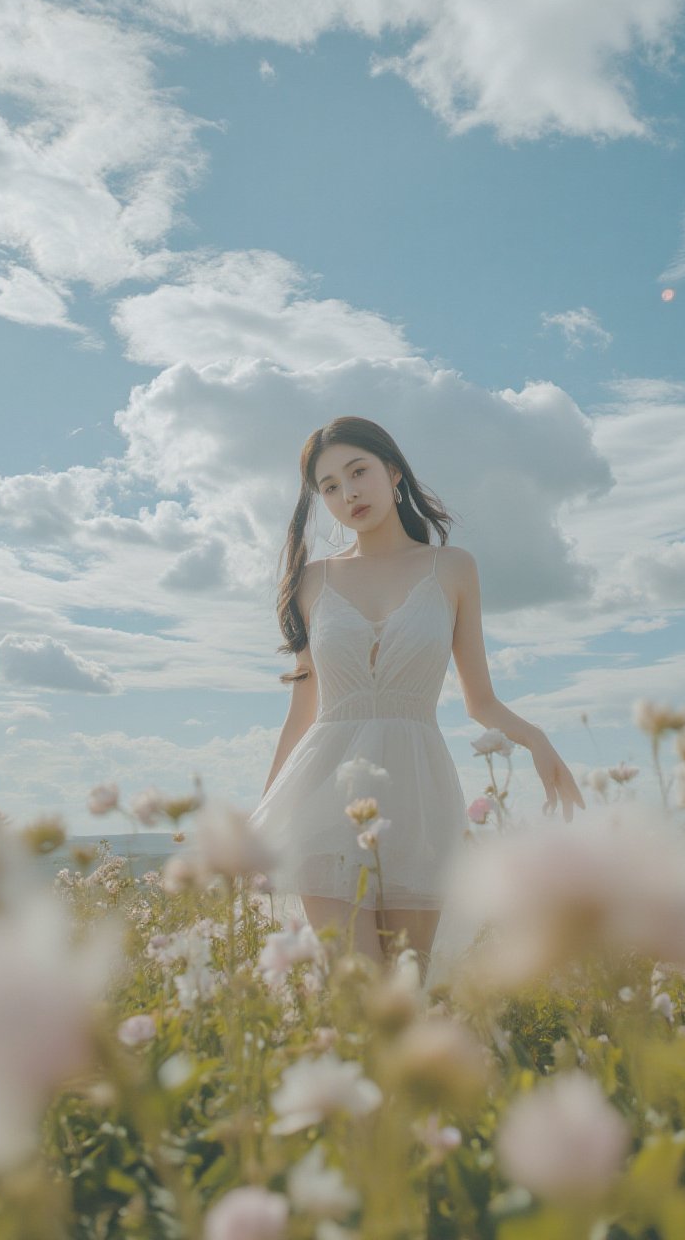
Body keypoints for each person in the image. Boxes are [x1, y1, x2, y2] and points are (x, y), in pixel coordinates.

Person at [248, 415, 585, 985]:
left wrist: (538, 740)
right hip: (324, 797)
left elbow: (480, 700)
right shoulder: (312, 581)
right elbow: (302, 713)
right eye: (329, 486)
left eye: (359, 472)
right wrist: (261, 824)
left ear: (394, 472)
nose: (348, 493)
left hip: (417, 799)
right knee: (355, 990)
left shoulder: (451, 569)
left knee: (405, 989)